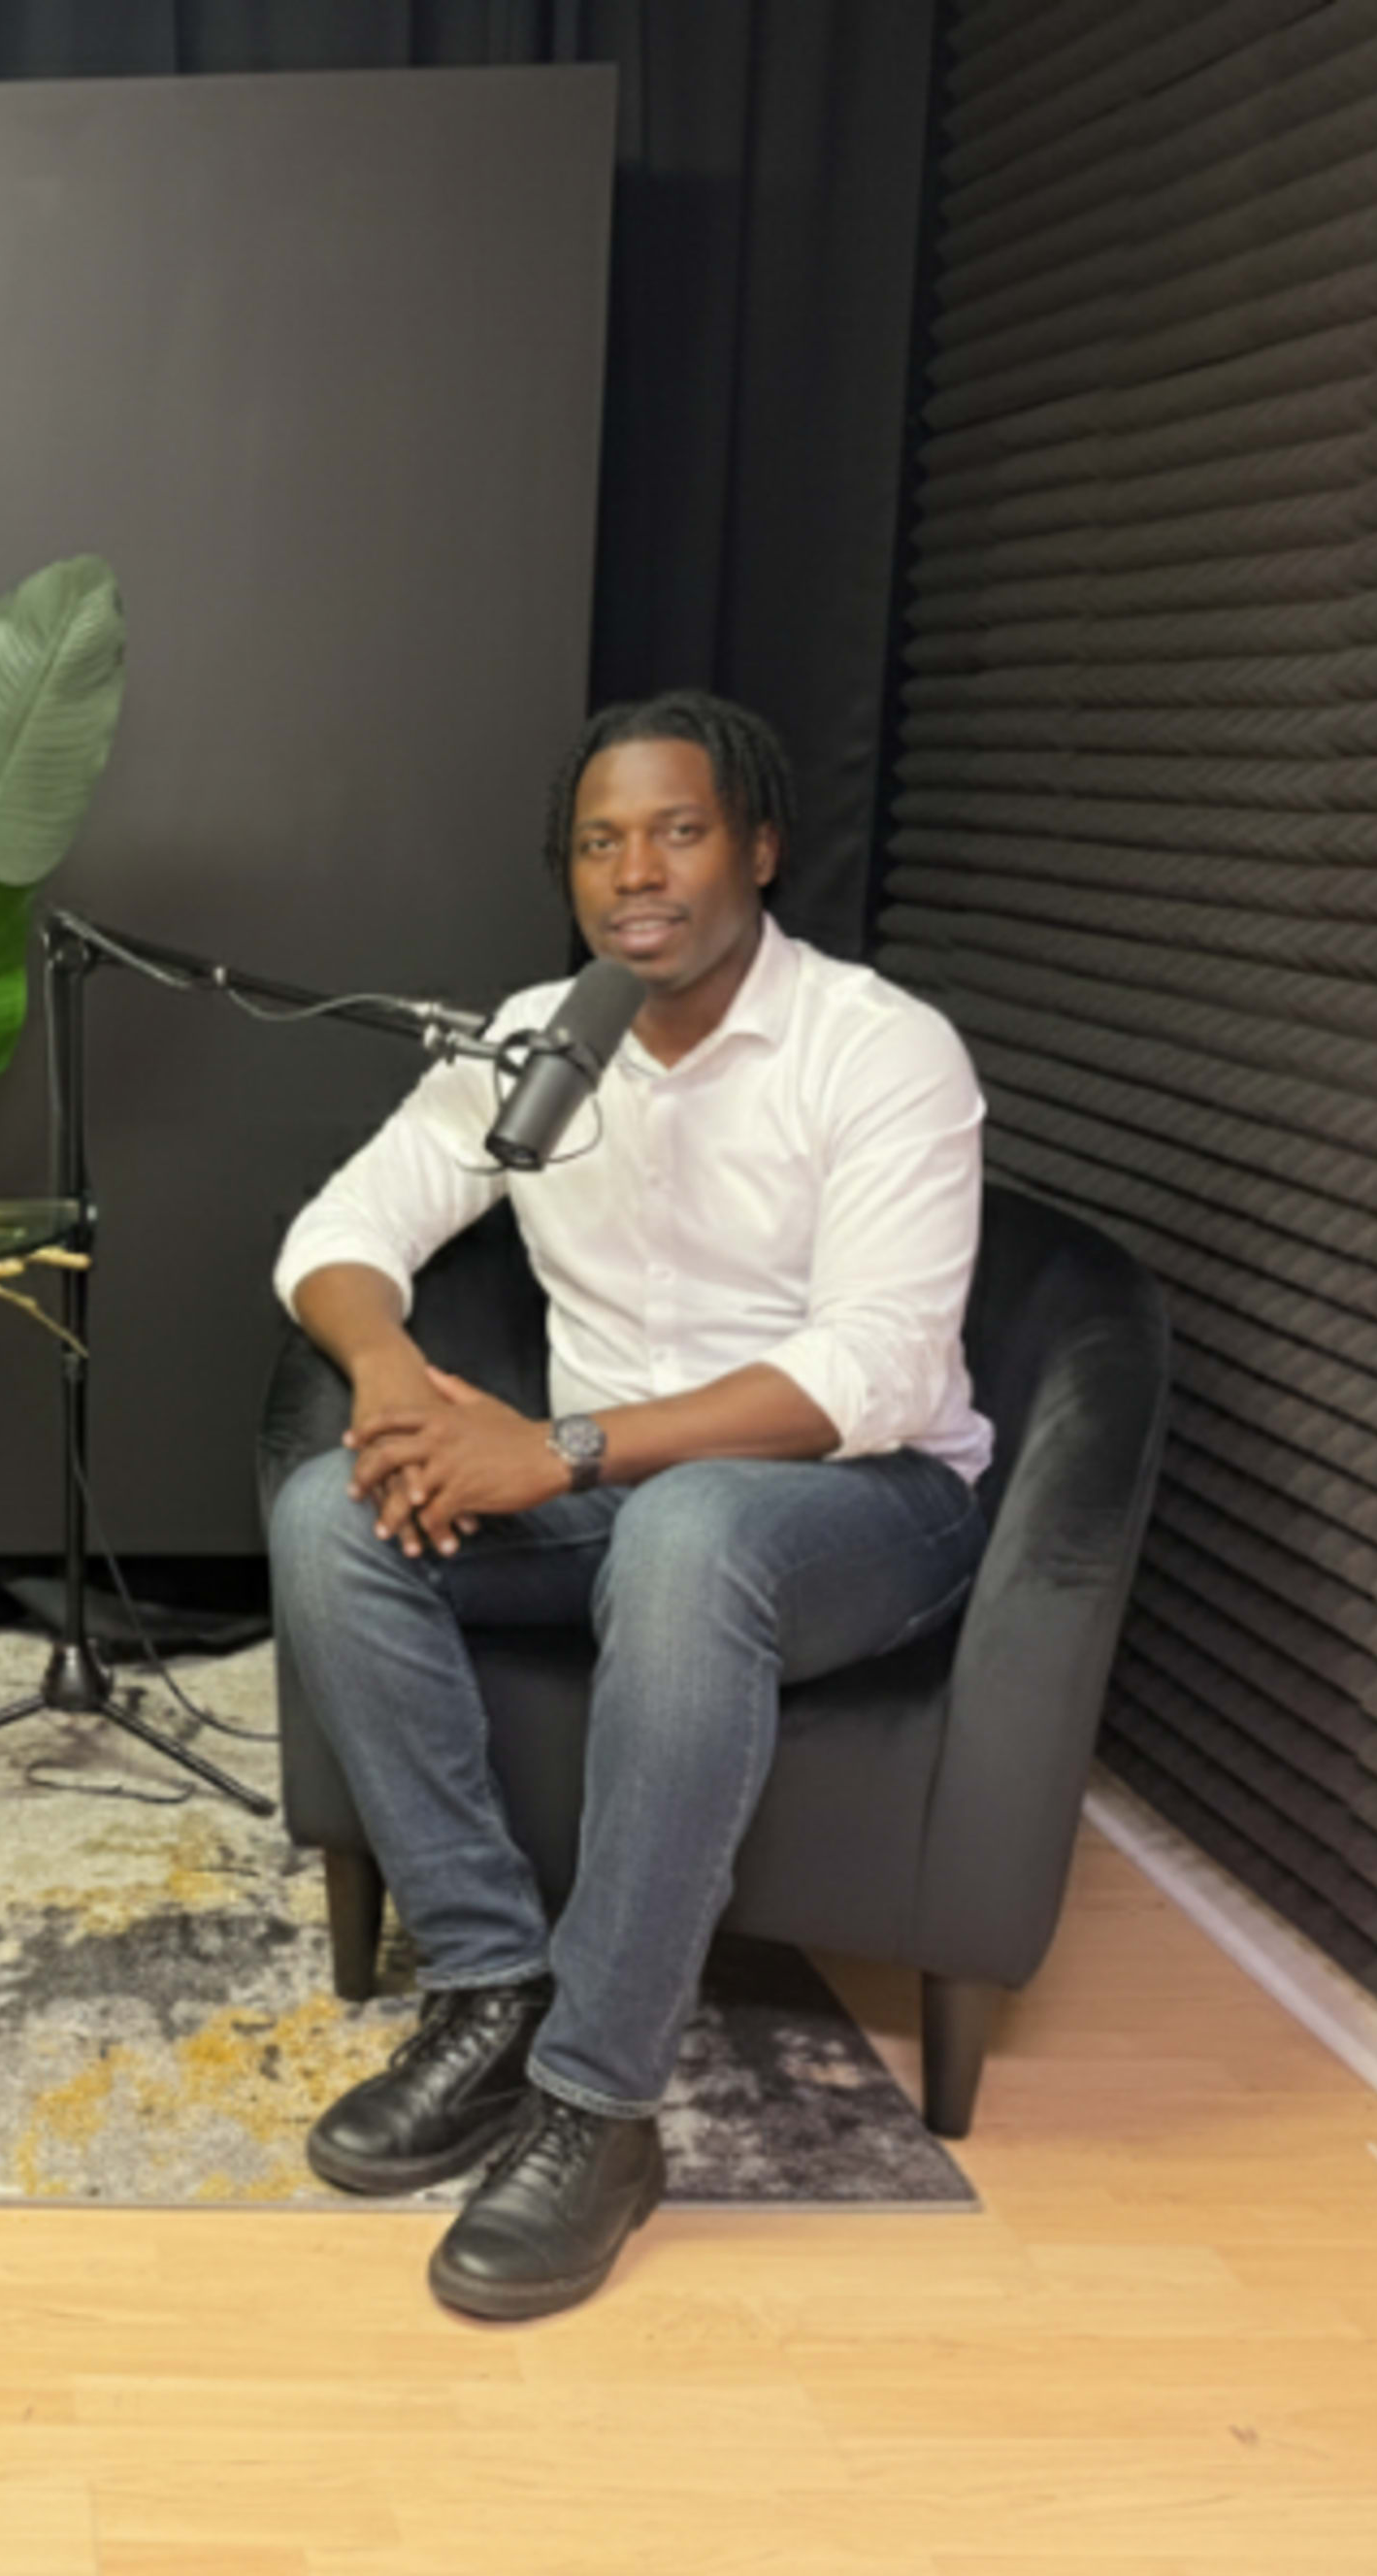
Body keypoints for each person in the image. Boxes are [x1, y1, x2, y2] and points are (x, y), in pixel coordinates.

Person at [267, 690, 990, 2321]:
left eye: (677, 829)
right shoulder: (545, 1034)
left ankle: (599, 2103)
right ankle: (491, 1985)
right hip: (622, 1495)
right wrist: (383, 1365)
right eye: (602, 840)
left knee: (690, 1530)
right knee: (333, 1514)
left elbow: (871, 1368)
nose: (635, 869)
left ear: (760, 846)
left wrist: (565, 1447)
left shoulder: (879, 1048)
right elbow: (340, 1222)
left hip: (857, 1500)